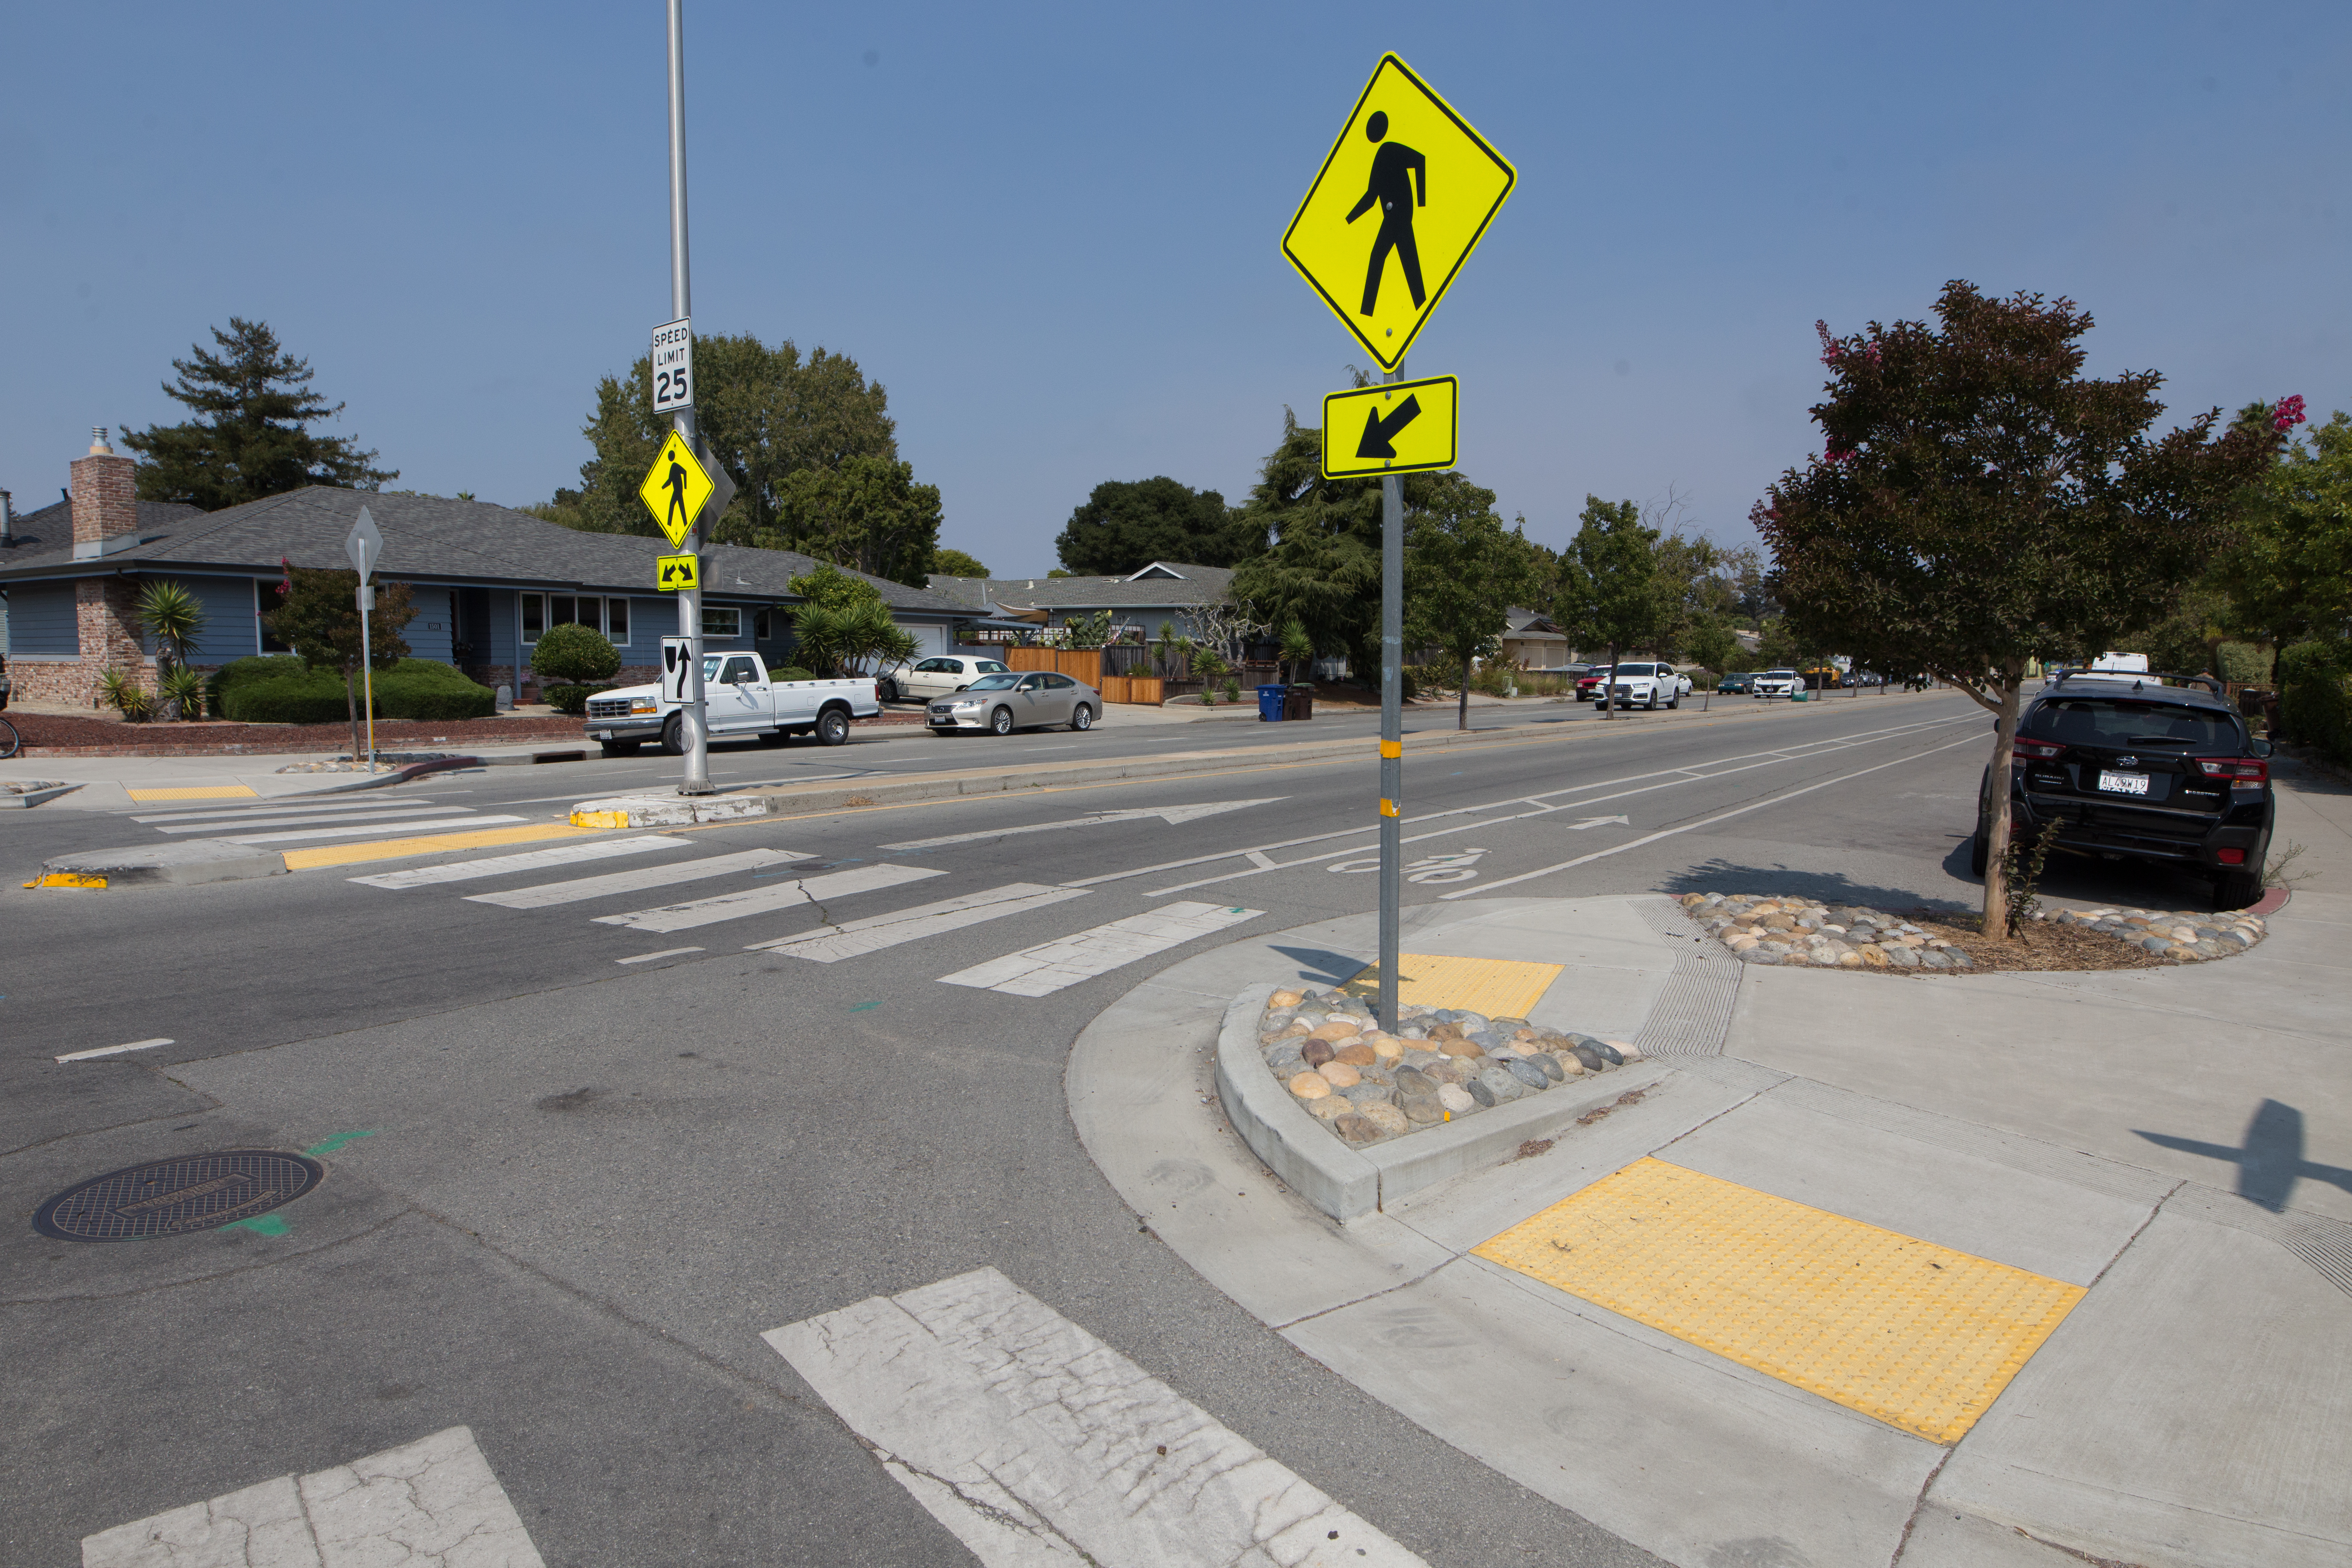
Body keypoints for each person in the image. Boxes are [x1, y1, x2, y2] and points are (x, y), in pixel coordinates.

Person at [1345, 110, 1427, 316]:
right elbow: (1371, 198)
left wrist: (1422, 203)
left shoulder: (1388, 150)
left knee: (1379, 257)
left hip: (1399, 214)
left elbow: (1420, 160)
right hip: (1394, 217)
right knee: (1407, 261)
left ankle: (1366, 313)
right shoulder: (1381, 157)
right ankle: (1419, 304)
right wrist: (1347, 220)